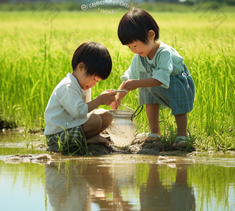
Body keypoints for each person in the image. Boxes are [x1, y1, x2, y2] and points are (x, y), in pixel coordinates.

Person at [111, 8, 195, 148]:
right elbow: (129, 78)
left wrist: (137, 83)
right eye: (130, 47)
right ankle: (155, 132)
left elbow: (161, 78)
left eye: (136, 45)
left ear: (151, 35)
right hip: (157, 84)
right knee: (145, 85)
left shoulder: (164, 53)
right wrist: (118, 97)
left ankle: (182, 134)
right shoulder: (139, 57)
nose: (134, 50)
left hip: (177, 83)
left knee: (148, 85)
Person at [44, 41, 116, 150]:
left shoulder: (82, 85)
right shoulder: (68, 86)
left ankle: (88, 138)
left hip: (71, 127)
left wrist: (104, 100)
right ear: (81, 67)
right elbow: (79, 112)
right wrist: (99, 100)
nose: (94, 84)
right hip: (58, 136)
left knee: (107, 116)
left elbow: (86, 112)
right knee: (96, 120)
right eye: (94, 79)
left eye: (97, 81)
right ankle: (88, 140)